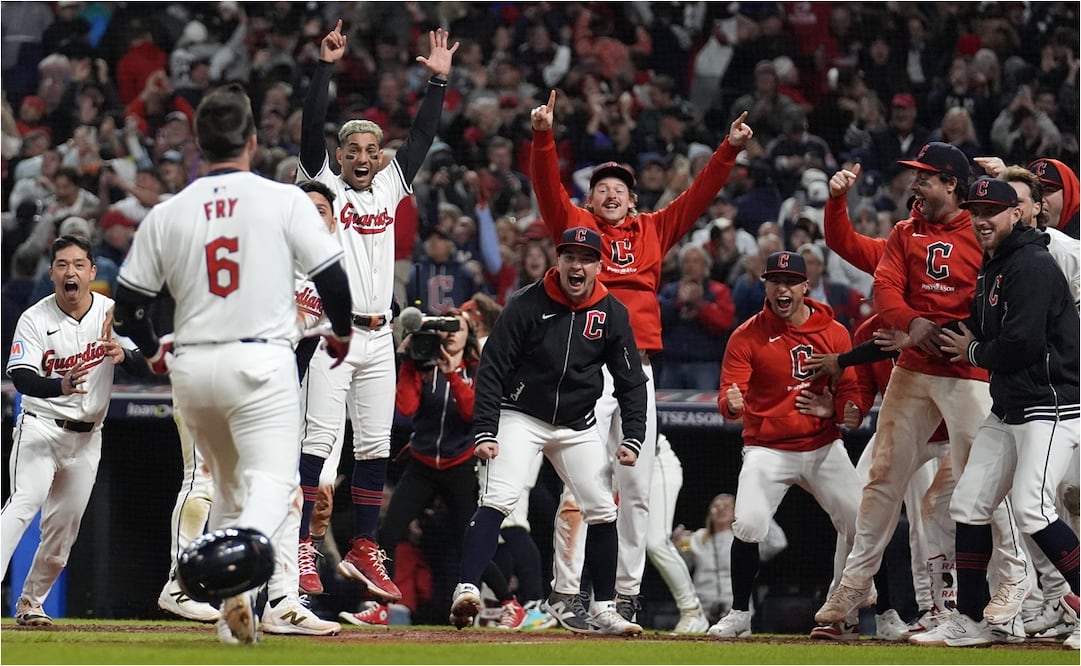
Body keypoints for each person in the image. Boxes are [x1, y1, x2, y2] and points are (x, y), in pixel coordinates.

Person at [113, 83, 354, 645]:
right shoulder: (284, 199)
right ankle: (235, 559)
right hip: (261, 363)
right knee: (277, 485)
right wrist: (341, 332)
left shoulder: (169, 212)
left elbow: (127, 308)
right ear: (251, 140)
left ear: (198, 144)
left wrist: (150, 350)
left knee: (222, 489)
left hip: (193, 370)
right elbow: (334, 281)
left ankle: (234, 604)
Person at [529, 89, 753, 626]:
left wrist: (729, 150)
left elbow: (698, 196)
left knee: (637, 486)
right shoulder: (578, 232)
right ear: (590, 199)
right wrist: (543, 138)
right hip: (584, 368)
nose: (611, 193)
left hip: (637, 371)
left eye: (620, 189)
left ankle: (624, 595)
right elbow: (546, 188)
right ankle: (568, 594)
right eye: (601, 187)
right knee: (580, 485)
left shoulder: (654, 229)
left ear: (634, 201)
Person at [815, 143, 1030, 639]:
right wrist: (913, 323)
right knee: (882, 481)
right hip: (913, 369)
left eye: (925, 177)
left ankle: (1016, 585)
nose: (915, 185)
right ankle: (851, 587)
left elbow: (1006, 288)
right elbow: (885, 289)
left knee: (986, 489)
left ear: (952, 183)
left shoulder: (982, 230)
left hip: (968, 372)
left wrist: (959, 331)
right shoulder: (904, 232)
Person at [293, 20, 458, 604]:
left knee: (375, 449)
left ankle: (365, 547)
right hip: (333, 338)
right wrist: (325, 68)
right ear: (338, 157)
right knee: (318, 447)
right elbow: (311, 127)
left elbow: (420, 139)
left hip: (380, 336)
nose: (363, 157)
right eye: (353, 150)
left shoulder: (388, 187)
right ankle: (301, 547)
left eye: (371, 150)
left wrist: (436, 83)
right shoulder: (323, 185)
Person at [448, 227, 648, 637]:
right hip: (521, 414)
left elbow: (631, 380)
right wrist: (486, 429)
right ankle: (466, 588)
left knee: (602, 509)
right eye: (570, 257)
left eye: (586, 258)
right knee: (500, 498)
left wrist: (632, 437)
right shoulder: (525, 303)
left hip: (576, 423)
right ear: (558, 260)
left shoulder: (611, 312)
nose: (577, 265)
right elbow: (492, 370)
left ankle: (605, 608)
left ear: (598, 265)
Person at [915, 177, 1080, 649]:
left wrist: (971, 352)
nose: (981, 219)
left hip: (1050, 406)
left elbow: (1022, 343)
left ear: (1017, 214)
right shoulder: (995, 266)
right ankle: (971, 619)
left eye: (992, 210)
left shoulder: (1030, 263)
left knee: (1033, 509)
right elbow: (978, 326)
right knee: (968, 504)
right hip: (1010, 408)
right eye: (975, 210)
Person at [708, 250, 865, 641]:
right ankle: (740, 613)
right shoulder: (746, 335)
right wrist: (730, 404)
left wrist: (842, 408)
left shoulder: (835, 332)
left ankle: (842, 608)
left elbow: (851, 391)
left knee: (862, 521)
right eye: (775, 281)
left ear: (805, 285)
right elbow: (730, 393)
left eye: (791, 281)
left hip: (821, 443)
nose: (783, 288)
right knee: (747, 524)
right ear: (765, 285)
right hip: (768, 447)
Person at [341, 309, 525, 630]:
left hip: (459, 467)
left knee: (469, 540)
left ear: (470, 336)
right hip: (422, 464)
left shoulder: (477, 369)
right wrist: (408, 363)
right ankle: (381, 607)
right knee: (389, 530)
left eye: (460, 329)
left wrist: (453, 374)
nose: (452, 334)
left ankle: (511, 604)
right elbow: (407, 409)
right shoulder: (423, 365)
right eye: (446, 328)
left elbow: (472, 412)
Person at [2, 235, 142, 627]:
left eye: (79, 264)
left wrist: (125, 354)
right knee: (23, 504)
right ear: (51, 273)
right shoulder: (35, 317)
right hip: (41, 428)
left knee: (63, 531)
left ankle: (31, 604)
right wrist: (60, 385)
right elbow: (23, 377)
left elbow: (145, 361)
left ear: (92, 272)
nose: (71, 271)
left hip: (87, 437)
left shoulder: (111, 313)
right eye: (62, 264)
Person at [673, 492, 787, 625]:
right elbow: (683, 567)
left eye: (726, 506)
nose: (721, 509)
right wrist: (676, 547)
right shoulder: (698, 538)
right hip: (702, 606)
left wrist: (761, 515)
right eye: (716, 506)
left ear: (735, 512)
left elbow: (777, 543)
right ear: (710, 513)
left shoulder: (744, 539)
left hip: (735, 606)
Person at [645, 433, 718, 634]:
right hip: (620, 469)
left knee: (656, 543)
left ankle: (692, 611)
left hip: (654, 462)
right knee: (620, 541)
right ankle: (612, 608)